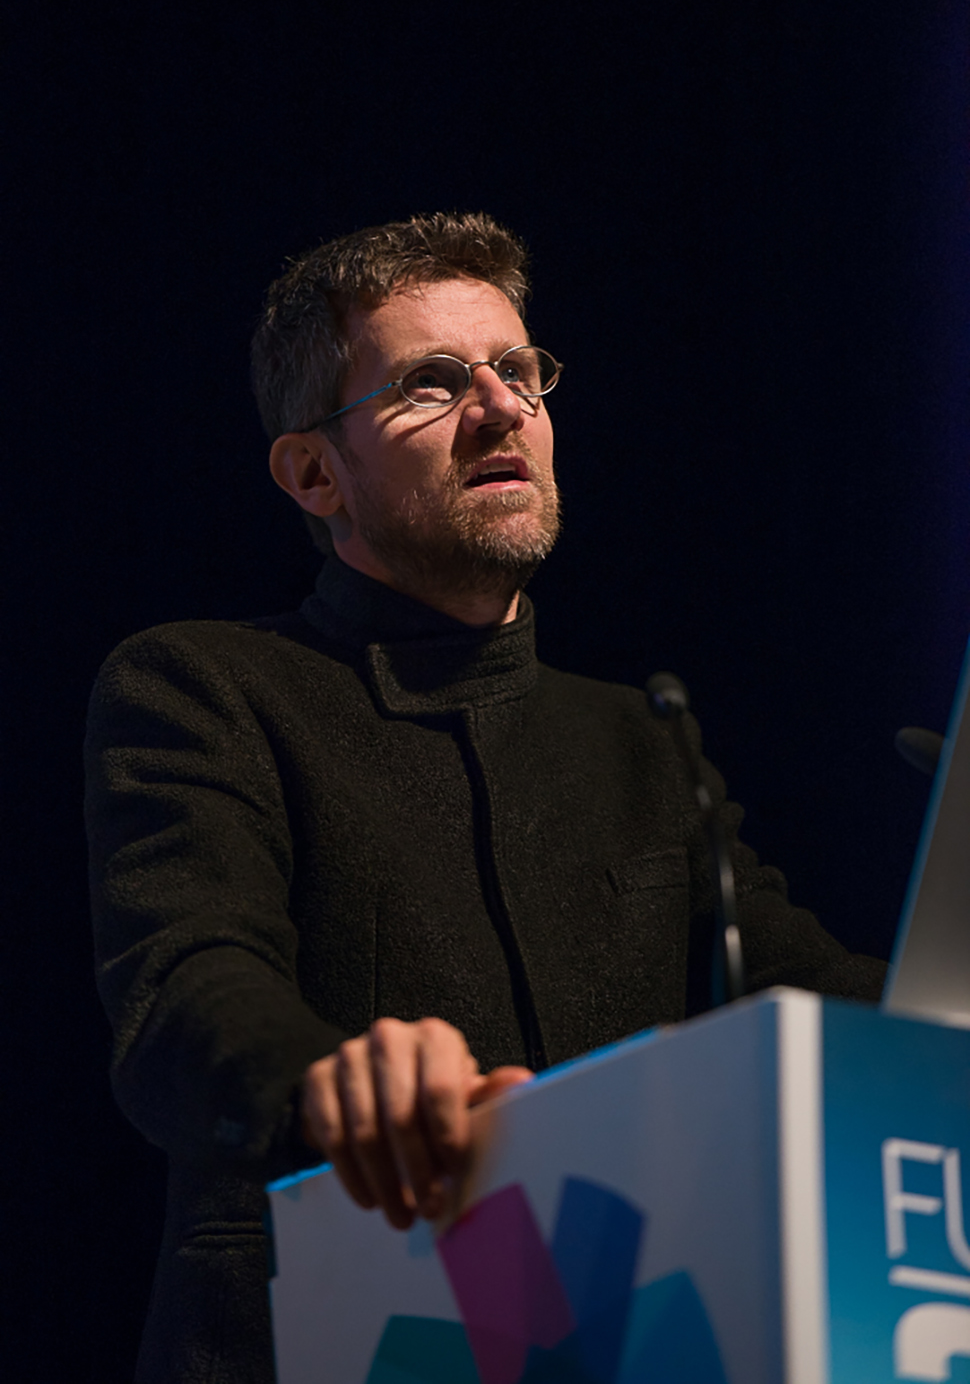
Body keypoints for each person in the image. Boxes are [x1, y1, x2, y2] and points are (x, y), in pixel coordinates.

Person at [85, 211, 885, 1384]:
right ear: (314, 472)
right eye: (433, 381)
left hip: (636, 1338)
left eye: (518, 369)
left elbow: (806, 990)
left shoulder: (638, 737)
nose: (502, 407)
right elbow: (187, 988)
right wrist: (332, 1082)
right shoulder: (204, 686)